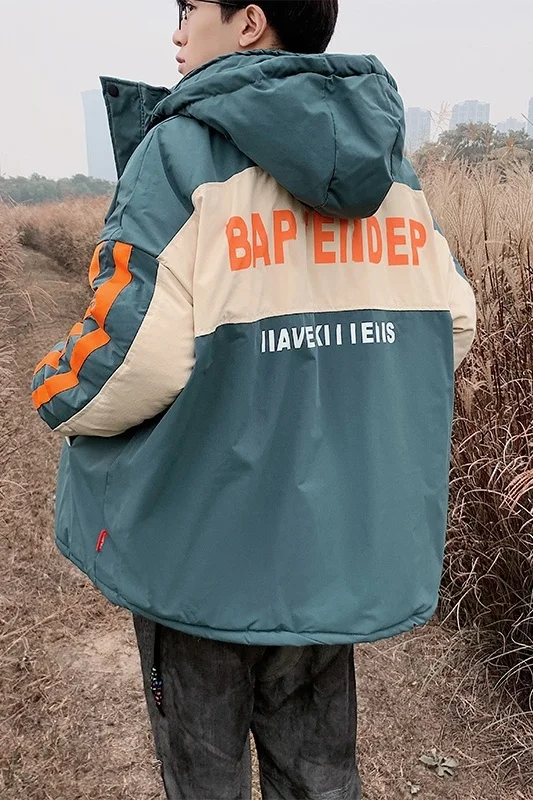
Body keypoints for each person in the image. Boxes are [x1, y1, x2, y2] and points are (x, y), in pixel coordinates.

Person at [31, 1, 477, 798]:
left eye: (189, 9)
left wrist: (52, 389)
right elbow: (450, 325)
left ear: (248, 24)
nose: (174, 32)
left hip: (206, 553)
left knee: (204, 778)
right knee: (319, 774)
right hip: (327, 550)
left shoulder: (180, 151)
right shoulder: (391, 172)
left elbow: (132, 357)